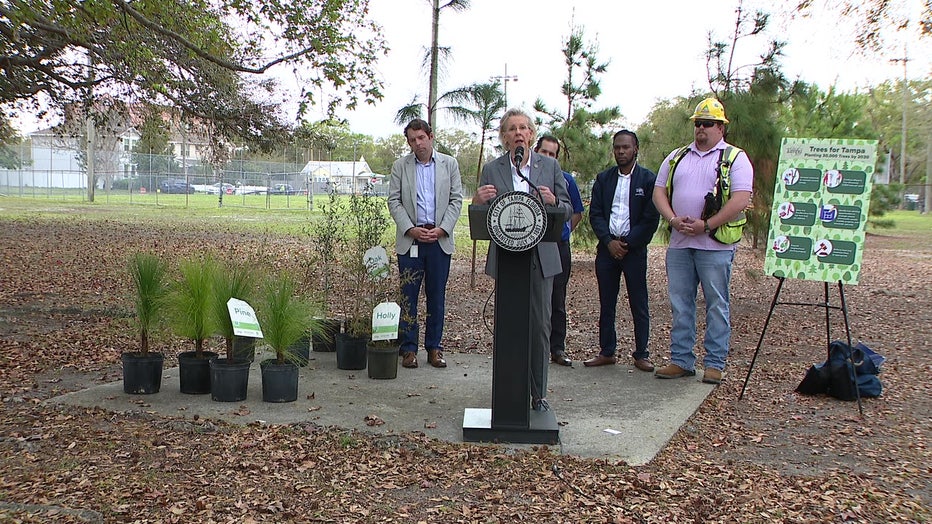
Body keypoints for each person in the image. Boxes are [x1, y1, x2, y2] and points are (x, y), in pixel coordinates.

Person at [472, 108, 573, 411]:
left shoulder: (550, 167)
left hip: (541, 258)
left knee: (540, 326)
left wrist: (555, 201)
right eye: (511, 129)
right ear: (504, 137)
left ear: (531, 134)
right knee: (508, 325)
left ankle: (538, 394)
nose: (518, 133)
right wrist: (477, 202)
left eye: (523, 128)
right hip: (506, 259)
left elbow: (568, 208)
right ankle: (508, 393)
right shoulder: (493, 169)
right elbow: (483, 214)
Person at [651, 98, 753, 384]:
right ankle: (682, 359)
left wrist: (707, 225)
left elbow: (741, 199)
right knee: (681, 302)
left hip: (715, 244)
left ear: (721, 128)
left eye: (708, 124)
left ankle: (714, 363)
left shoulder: (735, 158)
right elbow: (659, 192)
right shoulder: (677, 156)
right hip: (681, 244)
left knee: (716, 303)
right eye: (698, 123)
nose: (701, 129)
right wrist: (672, 220)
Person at [388, 119, 463, 369]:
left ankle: (434, 347)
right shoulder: (400, 166)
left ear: (430, 137)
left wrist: (442, 229)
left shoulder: (449, 164)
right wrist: (411, 229)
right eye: (412, 140)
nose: (417, 144)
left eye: (421, 138)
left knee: (436, 296)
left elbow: (455, 200)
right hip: (411, 241)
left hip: (439, 240)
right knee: (408, 296)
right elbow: (394, 201)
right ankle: (408, 349)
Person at [584, 130, 660, 371]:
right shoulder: (604, 179)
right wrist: (609, 241)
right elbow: (595, 213)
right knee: (607, 302)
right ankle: (607, 351)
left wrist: (628, 243)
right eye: (617, 147)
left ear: (635, 149)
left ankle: (641, 354)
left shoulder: (648, 180)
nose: (621, 151)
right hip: (607, 249)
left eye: (626, 147)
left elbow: (650, 218)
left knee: (639, 301)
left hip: (634, 251)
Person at [534, 135, 585, 367]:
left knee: (557, 298)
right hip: (530, 244)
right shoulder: (526, 177)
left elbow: (575, 211)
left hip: (557, 246)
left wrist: (562, 232)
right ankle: (532, 346)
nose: (547, 157)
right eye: (543, 152)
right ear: (536, 151)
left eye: (552, 154)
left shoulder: (565, 180)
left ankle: (557, 347)